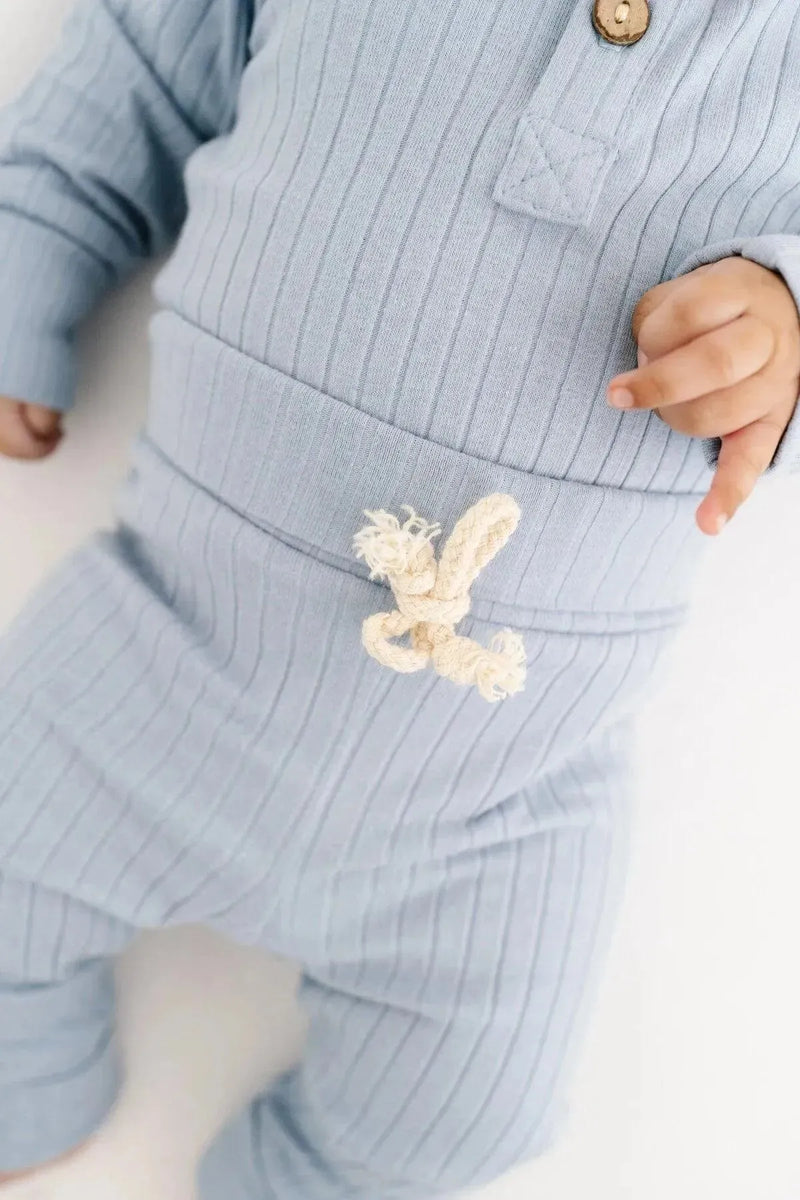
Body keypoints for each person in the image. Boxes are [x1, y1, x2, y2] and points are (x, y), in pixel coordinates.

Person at [1, 1, 799, 1195]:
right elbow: (145, 64)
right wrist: (28, 249)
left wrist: (780, 332)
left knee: (465, 1120)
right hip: (160, 651)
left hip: (502, 796)